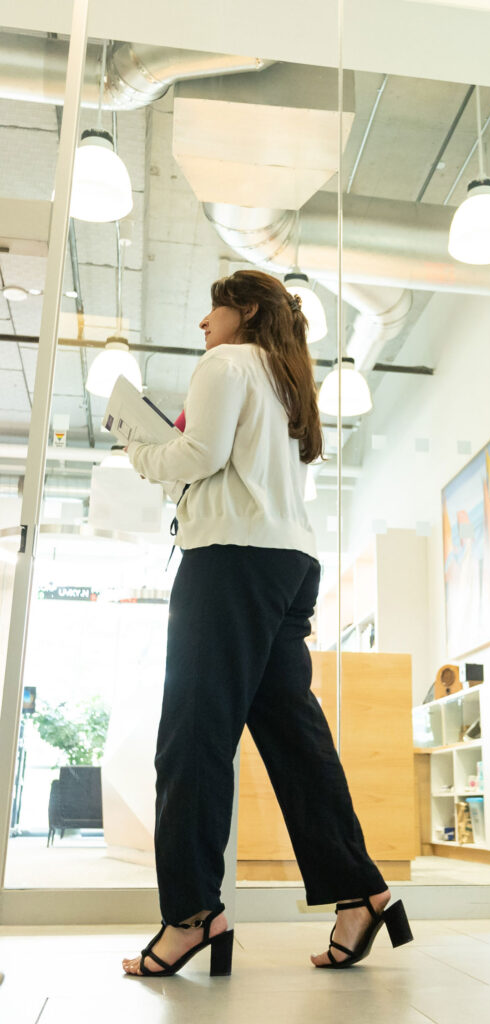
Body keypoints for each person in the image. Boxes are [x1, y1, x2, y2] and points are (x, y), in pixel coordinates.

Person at [120, 269, 411, 977]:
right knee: (292, 736)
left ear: (243, 310)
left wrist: (136, 447)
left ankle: (191, 915)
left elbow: (198, 456)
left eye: (212, 309)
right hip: (289, 564)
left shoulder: (225, 363)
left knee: (192, 736)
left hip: (229, 562)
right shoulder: (284, 378)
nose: (203, 324)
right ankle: (360, 891)